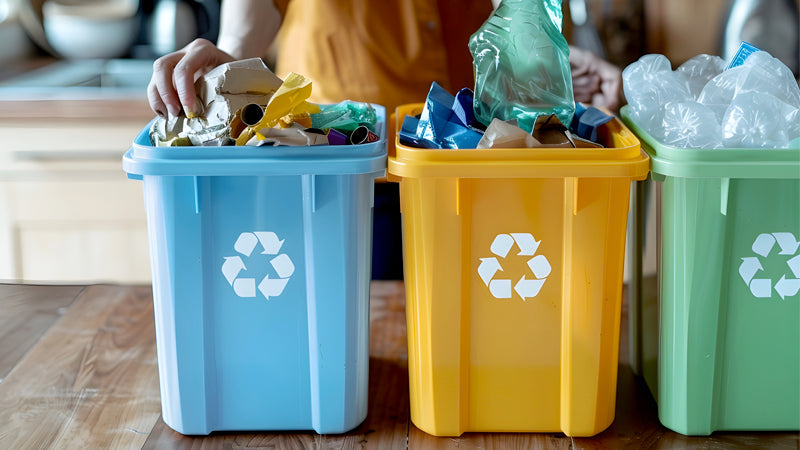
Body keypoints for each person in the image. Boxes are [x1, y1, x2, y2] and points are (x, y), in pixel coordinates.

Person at [147, 0, 623, 279]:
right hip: (338, 164)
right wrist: (233, 57)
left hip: (467, 159)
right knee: (344, 314)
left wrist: (547, 68)